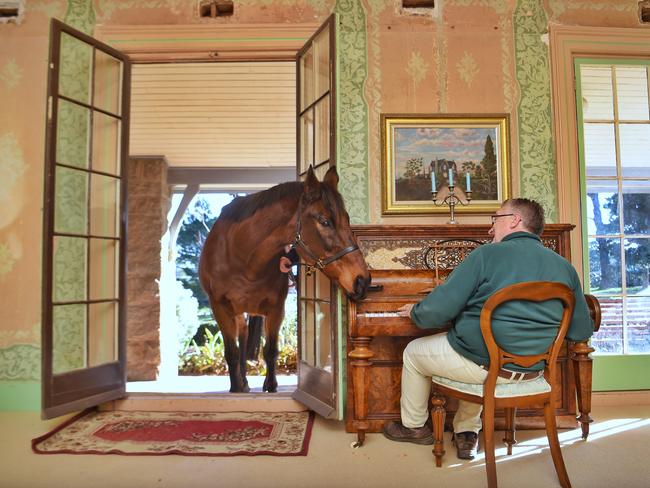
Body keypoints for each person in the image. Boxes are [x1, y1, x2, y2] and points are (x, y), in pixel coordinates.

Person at [382, 198, 594, 460]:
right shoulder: (565, 267)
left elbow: (437, 312)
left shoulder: (486, 255)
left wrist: (416, 311)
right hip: (533, 372)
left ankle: (413, 427)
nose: (490, 229)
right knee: (477, 348)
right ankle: (466, 431)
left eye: (495, 219)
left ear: (514, 220)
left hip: (485, 366)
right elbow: (580, 331)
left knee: (416, 352)